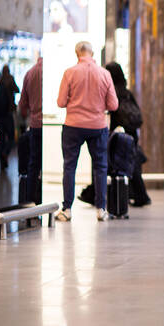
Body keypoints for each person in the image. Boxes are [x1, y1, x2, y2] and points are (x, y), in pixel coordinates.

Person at [55, 41, 118, 222]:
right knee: (100, 167)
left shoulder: (70, 73)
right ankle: (101, 209)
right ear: (92, 53)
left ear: (77, 54)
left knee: (69, 167)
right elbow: (113, 104)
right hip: (98, 127)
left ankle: (67, 209)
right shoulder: (104, 74)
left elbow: (60, 102)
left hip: (73, 125)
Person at [106, 62, 151, 207]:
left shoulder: (113, 92)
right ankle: (138, 195)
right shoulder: (127, 92)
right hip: (131, 134)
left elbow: (112, 113)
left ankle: (120, 196)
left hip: (119, 134)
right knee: (132, 165)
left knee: (113, 164)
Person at [18, 57, 43, 204]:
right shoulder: (52, 72)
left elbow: (23, 103)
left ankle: (31, 202)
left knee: (33, 164)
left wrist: (27, 114)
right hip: (47, 124)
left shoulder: (30, 73)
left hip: (35, 124)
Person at [0, 65, 19, 169]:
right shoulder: (10, 79)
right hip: (8, 113)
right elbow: (17, 90)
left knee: (2, 138)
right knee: (11, 137)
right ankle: (5, 153)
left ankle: (2, 161)